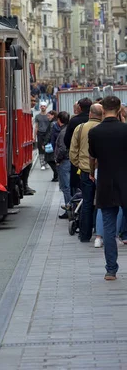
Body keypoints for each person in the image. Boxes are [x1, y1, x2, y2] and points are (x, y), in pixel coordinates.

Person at [89, 96, 127, 280]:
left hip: (105, 183)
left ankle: (111, 270)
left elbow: (93, 156)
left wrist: (90, 172)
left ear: (103, 110)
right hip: (125, 181)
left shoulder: (95, 132)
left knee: (109, 229)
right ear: (119, 109)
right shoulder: (125, 130)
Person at [69, 103, 103, 243]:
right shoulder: (103, 128)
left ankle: (85, 234)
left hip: (84, 170)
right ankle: (100, 233)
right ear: (102, 114)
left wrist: (79, 164)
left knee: (87, 202)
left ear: (89, 114)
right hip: (102, 171)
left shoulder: (80, 128)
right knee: (102, 203)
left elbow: (72, 150)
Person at [64, 97, 92, 196]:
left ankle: (74, 207)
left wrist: (75, 160)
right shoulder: (97, 121)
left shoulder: (74, 121)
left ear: (79, 107)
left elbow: (67, 141)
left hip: (79, 162)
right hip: (95, 163)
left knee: (78, 188)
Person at [54, 111, 71, 219]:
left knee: (66, 187)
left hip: (64, 162)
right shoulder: (67, 130)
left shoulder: (63, 132)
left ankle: (69, 209)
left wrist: (58, 159)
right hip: (68, 161)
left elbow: (62, 148)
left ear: (59, 120)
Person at [33, 103, 50, 170]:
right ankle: (42, 163)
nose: (43, 107)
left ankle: (46, 163)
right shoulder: (37, 116)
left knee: (47, 149)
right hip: (40, 133)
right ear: (40, 107)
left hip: (47, 133)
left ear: (46, 107)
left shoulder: (48, 115)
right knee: (40, 149)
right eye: (42, 106)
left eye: (44, 106)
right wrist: (34, 136)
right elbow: (36, 126)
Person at [44, 110, 58, 182]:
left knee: (49, 159)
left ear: (53, 115)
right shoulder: (55, 123)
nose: (48, 117)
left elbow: (49, 134)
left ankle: (56, 175)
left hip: (50, 144)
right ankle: (56, 175)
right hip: (54, 143)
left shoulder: (52, 124)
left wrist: (45, 143)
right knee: (52, 159)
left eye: (49, 115)